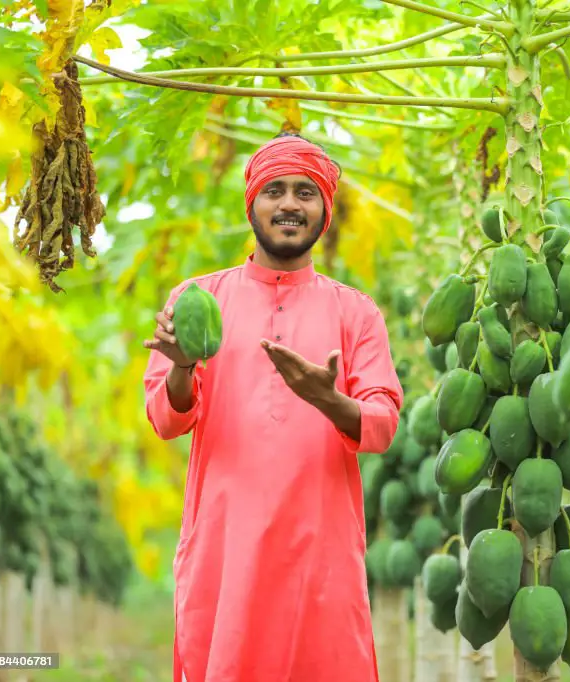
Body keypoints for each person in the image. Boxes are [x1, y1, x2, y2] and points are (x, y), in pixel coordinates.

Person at [142, 133, 403, 682]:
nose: (290, 204)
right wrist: (184, 367)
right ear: (252, 204)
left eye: (306, 192)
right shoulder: (200, 297)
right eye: (275, 191)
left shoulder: (355, 312)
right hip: (226, 549)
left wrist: (330, 401)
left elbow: (382, 426)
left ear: (324, 212)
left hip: (321, 555)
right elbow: (167, 420)